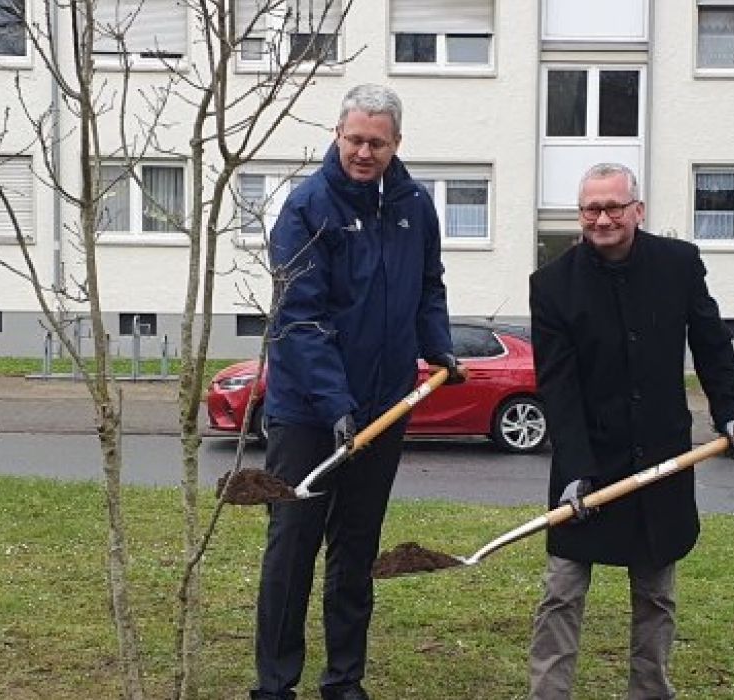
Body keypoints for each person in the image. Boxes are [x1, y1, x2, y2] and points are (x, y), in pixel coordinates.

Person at [253, 83, 465, 700]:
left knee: (355, 548)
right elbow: (298, 319)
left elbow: (430, 286)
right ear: (337, 134)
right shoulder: (307, 208)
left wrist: (439, 344)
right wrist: (336, 404)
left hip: (384, 408)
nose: (363, 152)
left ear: (397, 143)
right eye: (354, 139)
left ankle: (343, 680)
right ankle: (274, 684)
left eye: (377, 142)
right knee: (292, 546)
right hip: (309, 416)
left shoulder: (414, 206)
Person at [526, 162, 734, 700]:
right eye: (590, 209)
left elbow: (712, 342)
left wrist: (730, 411)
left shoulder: (677, 265)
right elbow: (556, 385)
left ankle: (650, 691)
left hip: (660, 458)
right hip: (586, 462)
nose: (602, 218)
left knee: (655, 594)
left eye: (613, 207)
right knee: (561, 590)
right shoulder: (553, 285)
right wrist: (576, 469)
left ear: (638, 209)